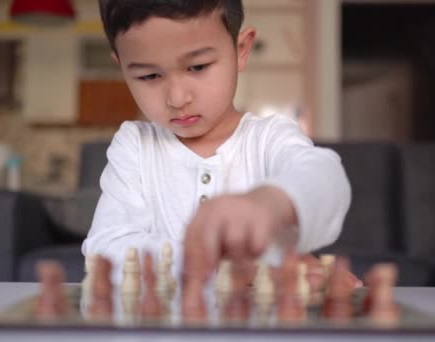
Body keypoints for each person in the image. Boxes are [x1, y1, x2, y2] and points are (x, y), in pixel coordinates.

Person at [82, 0, 353, 286]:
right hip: (159, 329)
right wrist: (227, 265)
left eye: (198, 67)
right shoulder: (134, 146)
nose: (177, 98)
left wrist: (271, 201)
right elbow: (104, 248)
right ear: (122, 67)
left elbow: (326, 178)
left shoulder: (269, 138)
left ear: (241, 50)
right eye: (149, 76)